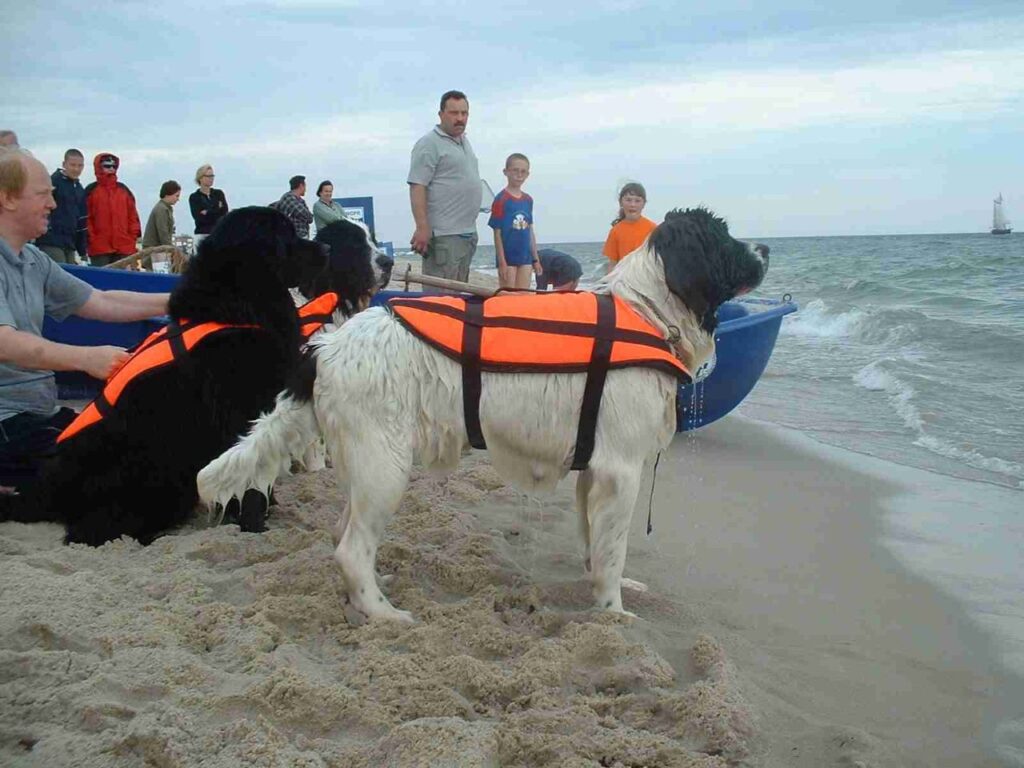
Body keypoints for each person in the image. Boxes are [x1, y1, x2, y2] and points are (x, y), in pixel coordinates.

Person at [0, 148, 169, 497]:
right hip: (7, 420)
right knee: (109, 475)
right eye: (43, 194)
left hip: (40, 413)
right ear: (7, 199)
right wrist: (85, 358)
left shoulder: (32, 259)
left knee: (142, 445)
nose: (54, 204)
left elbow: (101, 301)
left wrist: (181, 301)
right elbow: (4, 342)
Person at [408, 90, 482, 284]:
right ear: (441, 114)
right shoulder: (429, 143)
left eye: (464, 113)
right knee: (440, 301)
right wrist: (422, 227)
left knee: (460, 300)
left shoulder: (464, 142)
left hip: (466, 234)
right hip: (443, 237)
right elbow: (417, 185)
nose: (460, 118)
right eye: (454, 113)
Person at [488, 153, 539, 290]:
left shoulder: (528, 200)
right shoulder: (501, 199)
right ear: (506, 172)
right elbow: (497, 233)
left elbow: (530, 232)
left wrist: (536, 259)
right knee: (509, 296)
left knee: (523, 296)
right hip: (508, 259)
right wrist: (502, 262)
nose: (519, 175)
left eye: (523, 172)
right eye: (515, 170)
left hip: (525, 258)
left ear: (527, 174)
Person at [84, 152, 141, 266]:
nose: (111, 169)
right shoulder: (91, 191)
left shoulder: (124, 191)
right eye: (107, 166)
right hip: (100, 249)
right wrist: (93, 240)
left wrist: (131, 239)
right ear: (98, 167)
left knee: (122, 283)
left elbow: (133, 217)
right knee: (101, 282)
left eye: (113, 166)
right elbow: (86, 218)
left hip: (124, 247)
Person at [35, 148, 88, 264]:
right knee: (59, 274)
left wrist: (82, 250)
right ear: (64, 164)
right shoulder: (53, 182)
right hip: (50, 240)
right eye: (72, 165)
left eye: (80, 166)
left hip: (70, 243)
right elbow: (39, 207)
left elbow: (81, 222)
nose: (76, 169)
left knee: (70, 275)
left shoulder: (79, 190)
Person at [602, 181, 656, 270]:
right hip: (623, 280)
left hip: (646, 278)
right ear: (621, 203)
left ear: (644, 204)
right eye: (628, 200)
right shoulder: (615, 231)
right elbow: (612, 264)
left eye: (637, 201)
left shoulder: (653, 229)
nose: (632, 205)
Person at [188, 164, 228, 245]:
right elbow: (199, 219)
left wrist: (207, 212)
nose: (211, 179)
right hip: (202, 235)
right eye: (208, 176)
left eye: (212, 176)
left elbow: (224, 213)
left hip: (219, 234)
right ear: (200, 178)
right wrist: (217, 208)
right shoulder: (194, 197)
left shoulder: (219, 194)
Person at [142, 180, 181, 248]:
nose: (178, 199)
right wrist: (171, 249)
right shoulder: (162, 209)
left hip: (156, 249)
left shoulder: (165, 208)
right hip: (154, 251)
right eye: (177, 196)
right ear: (168, 194)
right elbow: (163, 233)